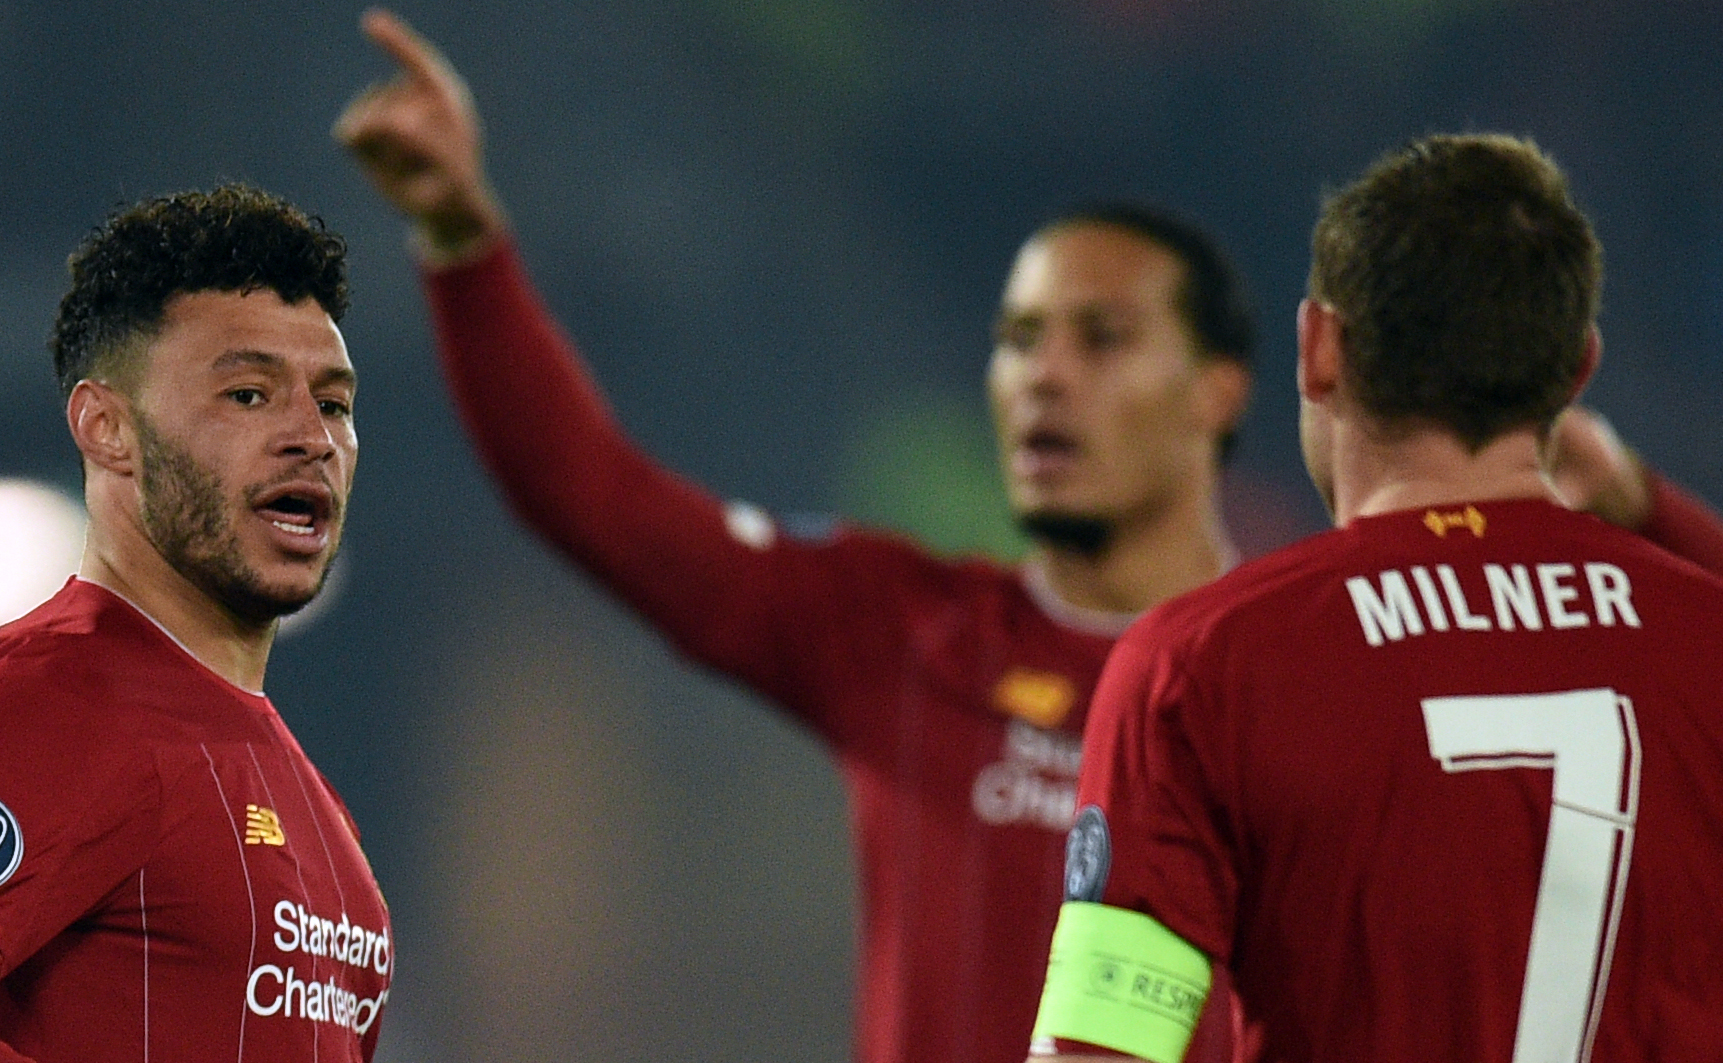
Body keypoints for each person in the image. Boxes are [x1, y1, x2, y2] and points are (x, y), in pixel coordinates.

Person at [1029, 134, 1723, 1062]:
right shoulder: (1701, 640)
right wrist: (1655, 510)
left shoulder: (1201, 666)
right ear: (1574, 370)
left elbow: (1097, 1052)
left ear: (1319, 348)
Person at [0, 185, 391, 1061]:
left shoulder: (329, 830)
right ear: (108, 430)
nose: (312, 437)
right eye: (249, 395)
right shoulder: (36, 708)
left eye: (333, 404)